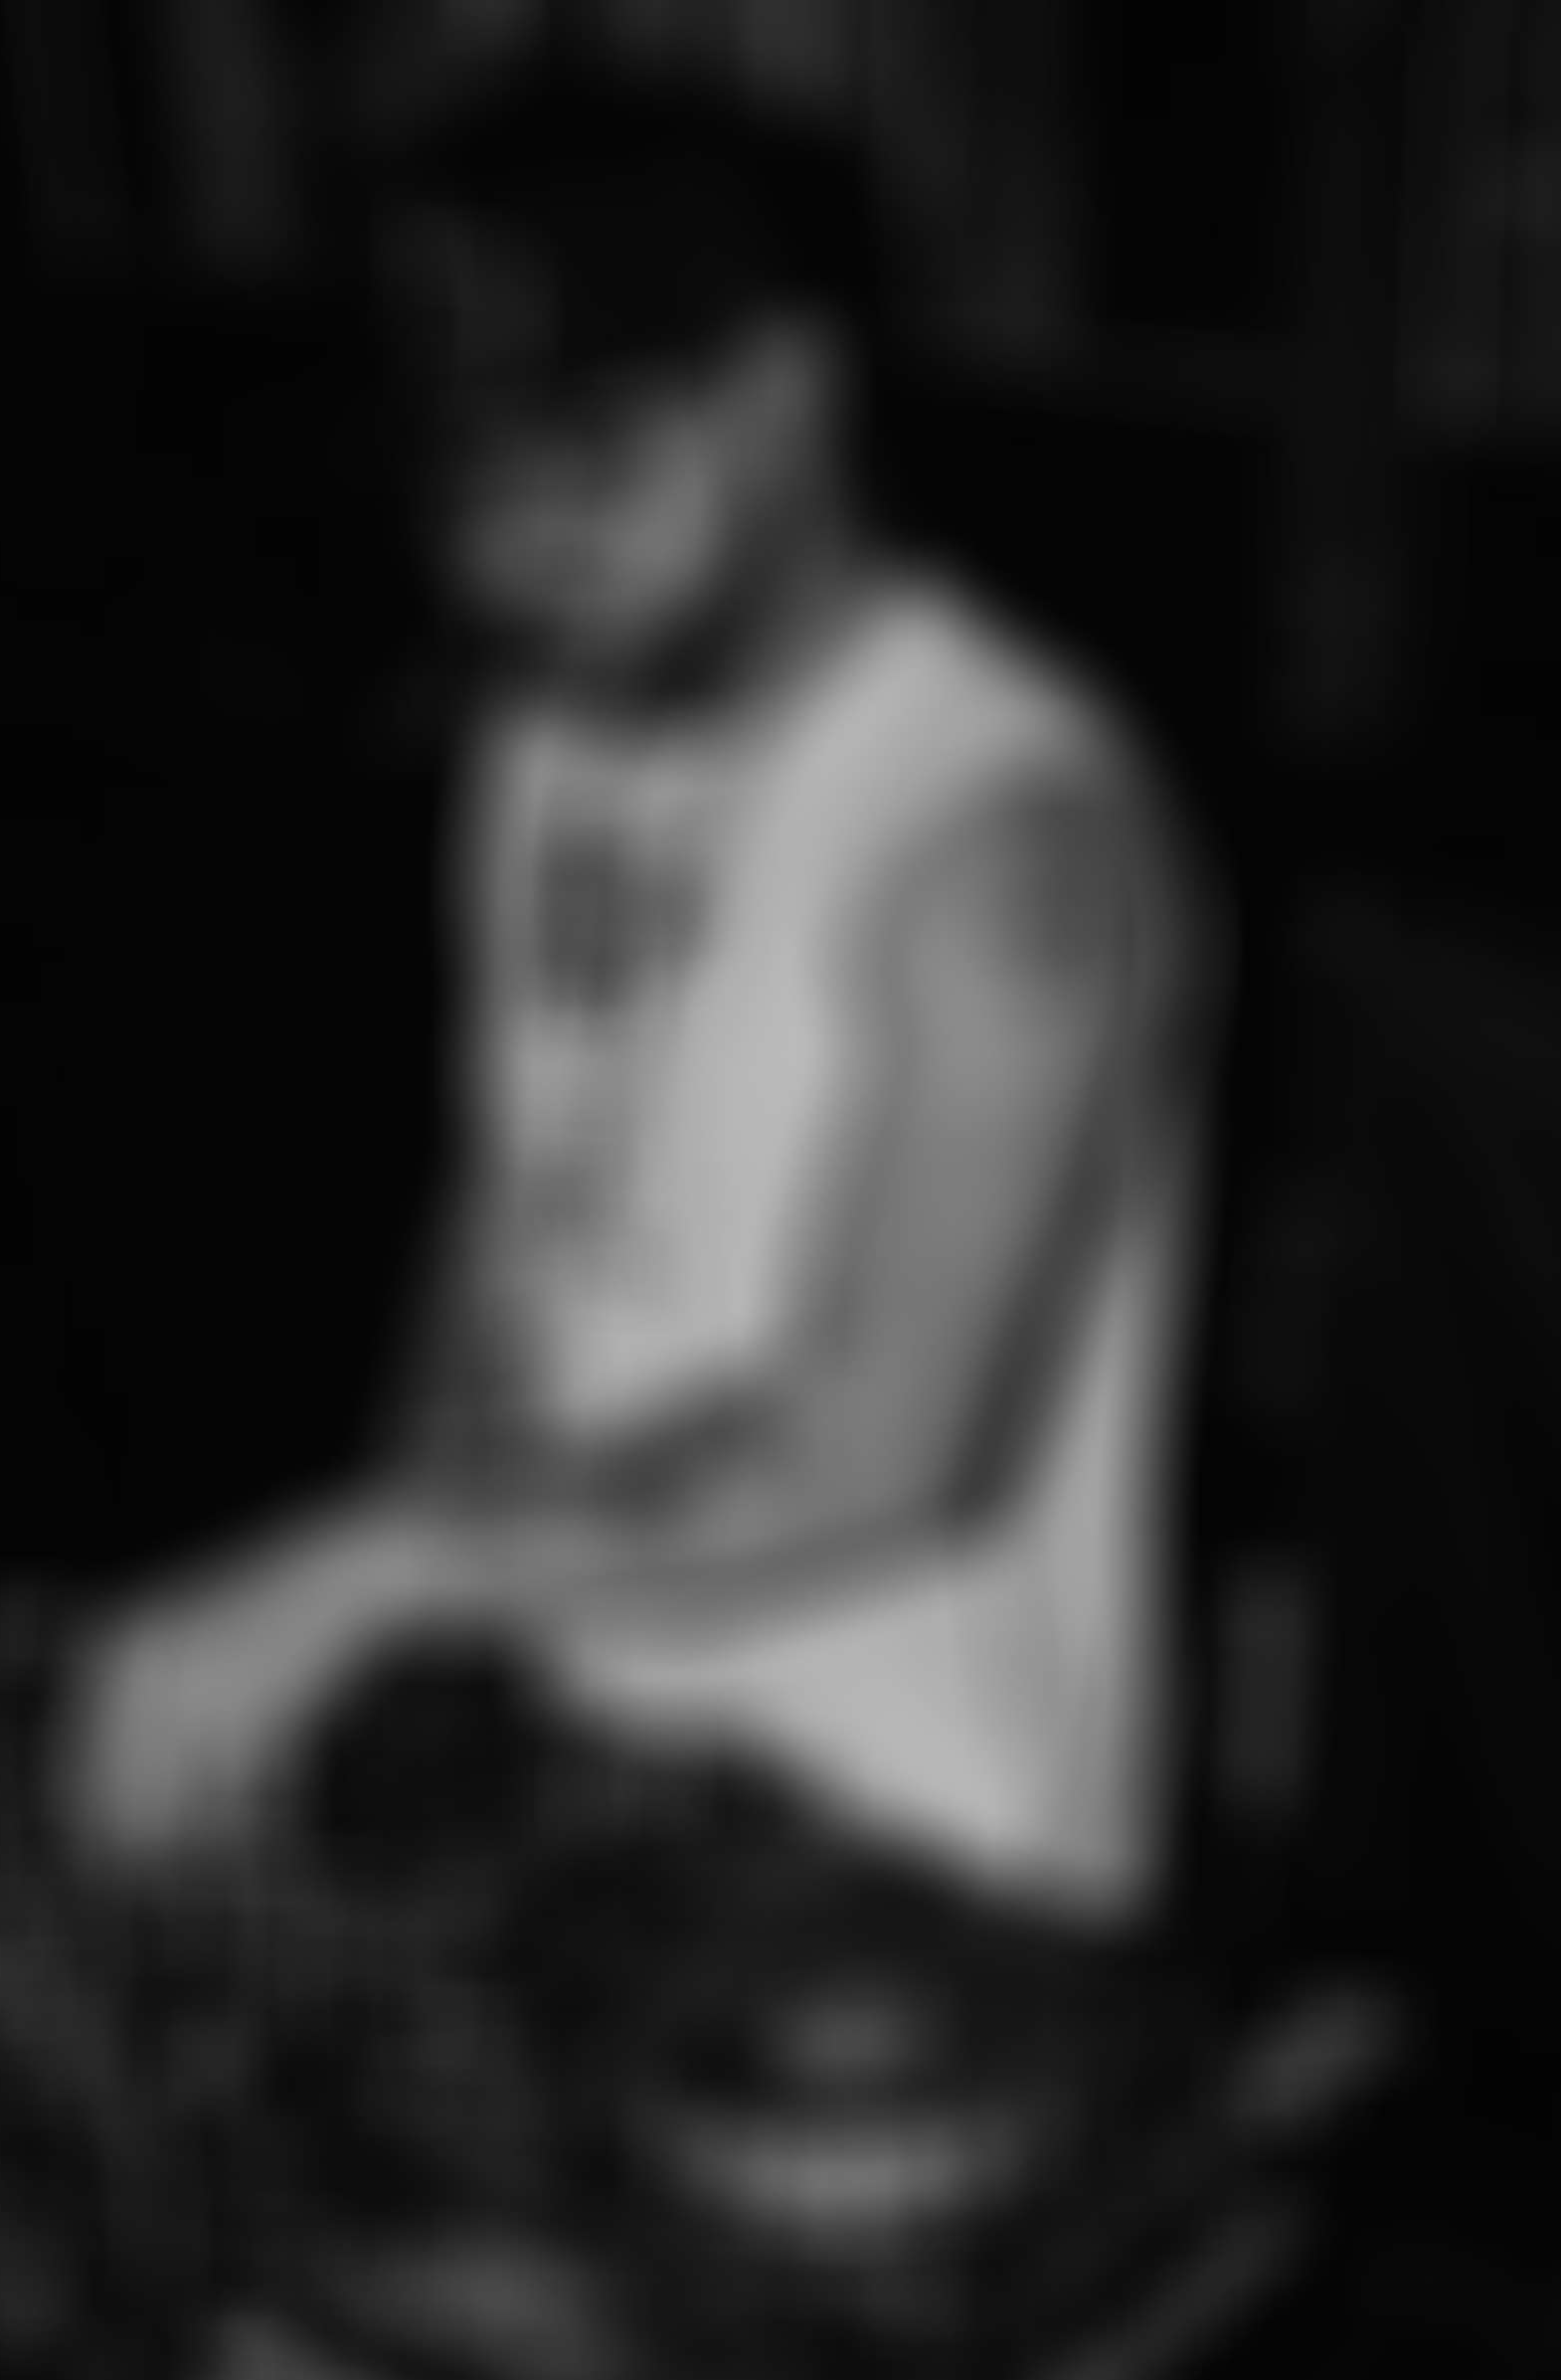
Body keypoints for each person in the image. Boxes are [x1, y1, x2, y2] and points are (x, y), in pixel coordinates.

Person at [59, 59, 1222, 1935]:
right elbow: (518, 1198)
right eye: (465, 481)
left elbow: (885, 1452)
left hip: (914, 1856)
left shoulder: (1012, 845)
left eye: (579, 464)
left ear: (788, 388)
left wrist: (359, 1569)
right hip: (572, 1748)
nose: (505, 549)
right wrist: (382, 1617)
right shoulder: (556, 726)